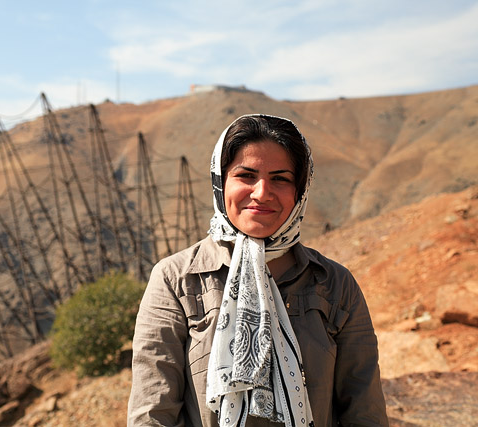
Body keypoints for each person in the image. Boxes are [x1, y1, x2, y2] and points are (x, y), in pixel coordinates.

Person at [127, 114, 388, 427]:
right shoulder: (177, 280)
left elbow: (364, 411)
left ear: (300, 190)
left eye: (280, 178)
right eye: (246, 175)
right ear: (220, 182)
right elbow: (152, 412)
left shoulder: (334, 284)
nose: (262, 192)